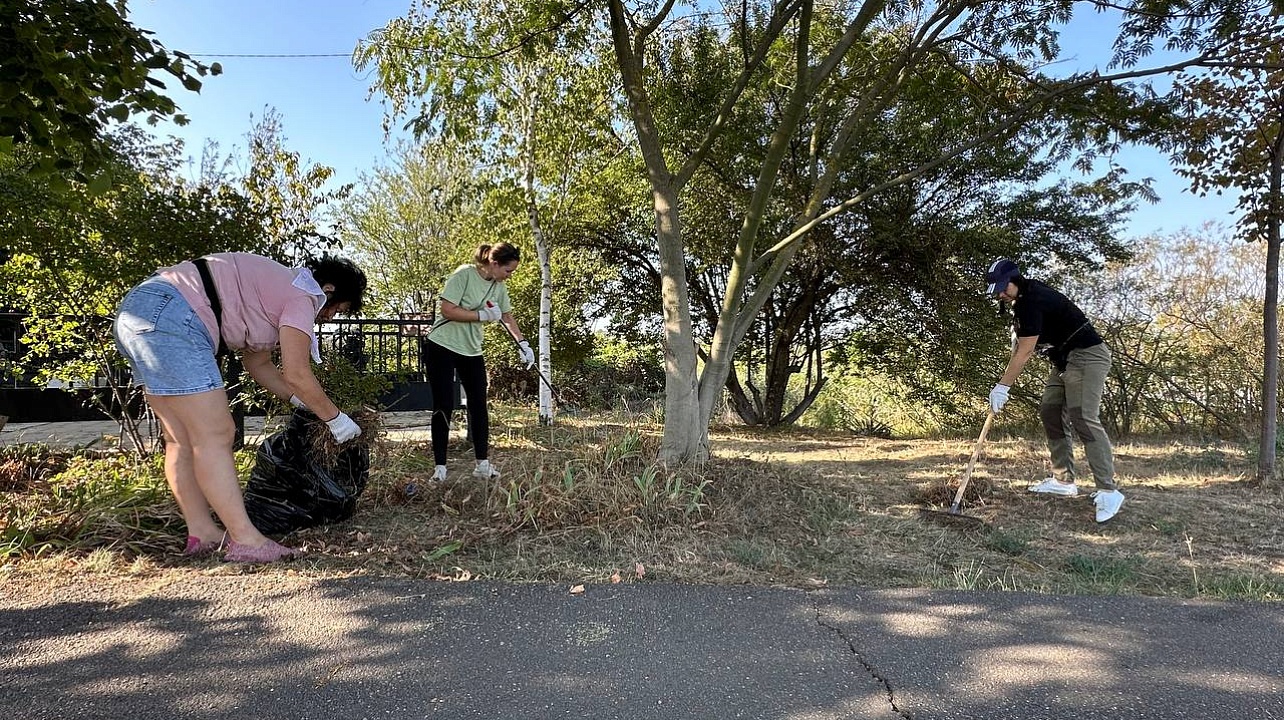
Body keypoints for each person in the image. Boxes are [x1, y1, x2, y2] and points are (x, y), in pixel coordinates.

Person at [113, 252, 368, 562]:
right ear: (328, 290)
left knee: (180, 438)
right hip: (174, 315)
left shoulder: (278, 291)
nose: (331, 318)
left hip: (141, 310)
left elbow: (258, 363)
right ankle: (247, 541)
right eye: (338, 309)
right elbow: (297, 374)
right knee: (217, 433)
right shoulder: (303, 296)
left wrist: (300, 401)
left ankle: (203, 534)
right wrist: (337, 420)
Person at [984, 257, 1125, 523]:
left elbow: (1024, 353)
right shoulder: (1021, 302)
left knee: (1083, 417)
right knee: (1050, 409)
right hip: (1065, 360)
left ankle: (1108, 490)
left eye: (1003, 287)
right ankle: (1063, 481)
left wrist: (1003, 387)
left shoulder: (1032, 300)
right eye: (997, 290)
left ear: (1015, 280)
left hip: (1087, 356)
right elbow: (1024, 343)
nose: (1000, 294)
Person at [421, 242, 534, 482]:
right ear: (494, 264)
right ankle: (440, 468)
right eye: (508, 271)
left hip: (471, 349)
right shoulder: (464, 274)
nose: (509, 276)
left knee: (479, 404)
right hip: (441, 345)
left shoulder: (498, 286)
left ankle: (482, 464)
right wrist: (481, 315)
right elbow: (447, 310)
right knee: (444, 404)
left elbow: (506, 315)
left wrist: (523, 344)